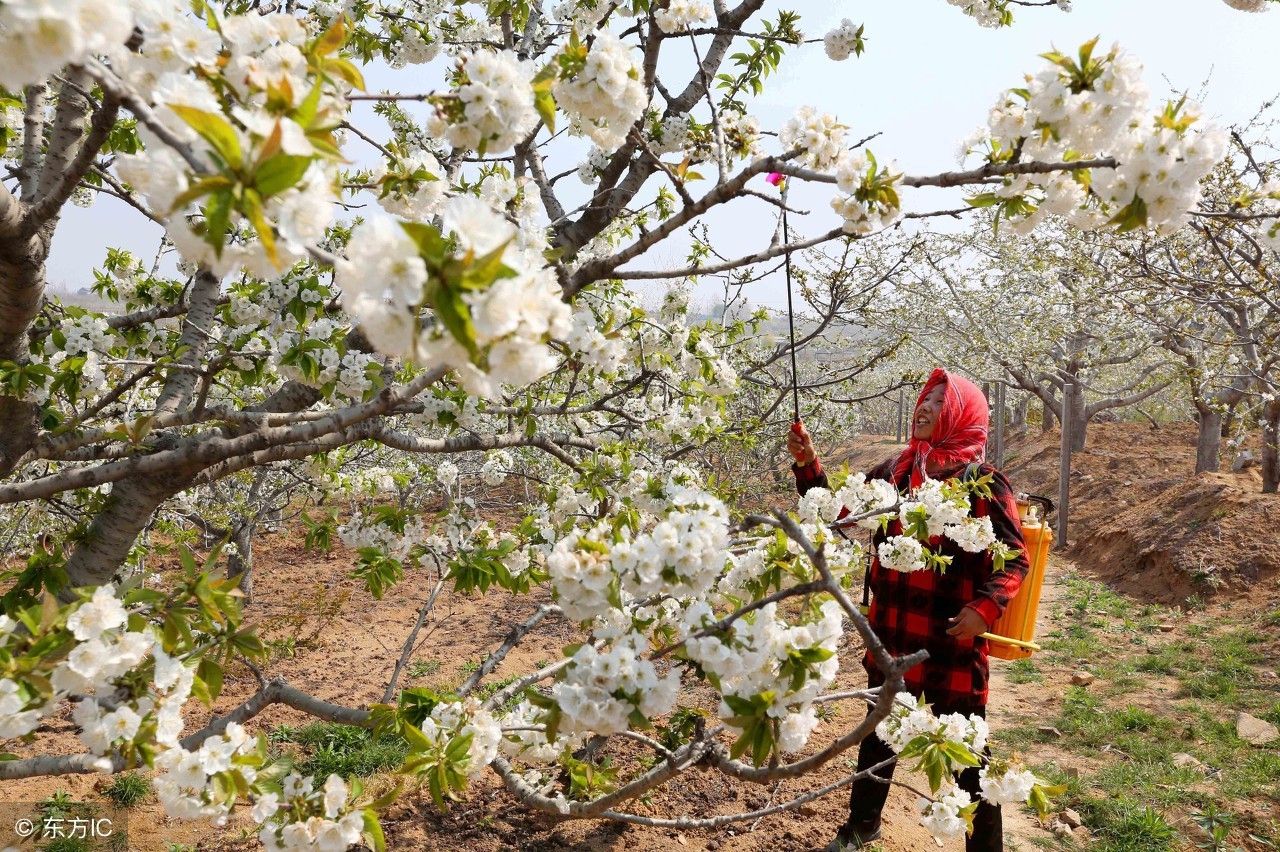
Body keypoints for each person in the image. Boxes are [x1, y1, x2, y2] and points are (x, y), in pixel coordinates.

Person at [786, 369, 1029, 852]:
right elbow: (842, 514)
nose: (925, 407)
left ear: (961, 415)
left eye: (939, 402)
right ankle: (861, 828)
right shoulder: (893, 473)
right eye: (925, 398)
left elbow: (1015, 556)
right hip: (891, 639)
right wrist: (808, 464)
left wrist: (985, 608)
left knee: (968, 755)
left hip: (950, 646)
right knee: (879, 739)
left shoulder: (983, 483)